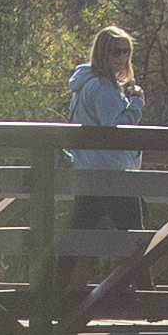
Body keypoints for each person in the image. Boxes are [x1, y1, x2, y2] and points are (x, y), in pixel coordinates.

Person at [64, 23, 152, 282]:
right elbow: (117, 129)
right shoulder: (102, 86)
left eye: (126, 52)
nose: (122, 57)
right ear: (102, 53)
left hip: (92, 169)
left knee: (77, 236)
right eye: (116, 52)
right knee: (135, 235)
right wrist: (136, 101)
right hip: (112, 172)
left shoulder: (87, 84)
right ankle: (147, 296)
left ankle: (52, 292)